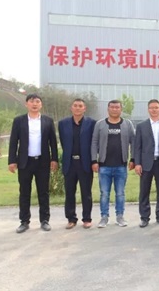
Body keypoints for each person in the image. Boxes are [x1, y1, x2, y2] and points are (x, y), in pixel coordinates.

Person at [8, 93, 58, 233]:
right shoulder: (19, 121)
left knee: (43, 192)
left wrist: (54, 159)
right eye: (31, 101)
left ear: (41, 104)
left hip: (42, 162)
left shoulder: (48, 121)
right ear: (26, 104)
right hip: (25, 162)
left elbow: (53, 142)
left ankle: (45, 220)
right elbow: (13, 142)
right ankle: (24, 221)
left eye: (37, 101)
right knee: (24, 192)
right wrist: (12, 161)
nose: (34, 104)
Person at [91, 100, 135, 228]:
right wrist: (94, 160)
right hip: (104, 166)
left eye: (117, 107)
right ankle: (104, 217)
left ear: (121, 109)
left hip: (121, 166)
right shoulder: (100, 124)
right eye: (112, 107)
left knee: (120, 193)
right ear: (108, 109)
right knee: (104, 193)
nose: (114, 109)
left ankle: (120, 216)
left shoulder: (127, 124)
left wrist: (133, 159)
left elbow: (133, 142)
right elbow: (94, 142)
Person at [58, 98, 96, 229]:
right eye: (75, 105)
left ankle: (87, 218)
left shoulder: (92, 123)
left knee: (86, 192)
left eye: (80, 106)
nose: (78, 108)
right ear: (71, 108)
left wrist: (93, 160)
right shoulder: (63, 123)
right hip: (69, 163)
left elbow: (94, 142)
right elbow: (63, 142)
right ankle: (71, 219)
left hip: (85, 162)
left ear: (84, 108)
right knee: (69, 192)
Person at [133, 99, 159, 227]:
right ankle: (144, 217)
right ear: (148, 109)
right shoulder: (141, 126)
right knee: (144, 191)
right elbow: (137, 146)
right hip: (146, 163)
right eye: (151, 108)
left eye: (156, 107)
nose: (154, 110)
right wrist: (137, 163)